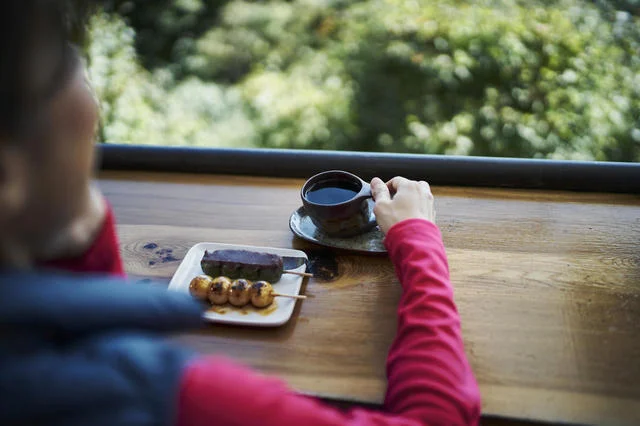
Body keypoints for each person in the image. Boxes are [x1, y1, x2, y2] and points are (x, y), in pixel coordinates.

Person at [0, 1, 481, 425]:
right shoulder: (163, 397)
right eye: (65, 64)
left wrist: (67, 231)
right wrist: (418, 238)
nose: (91, 101)